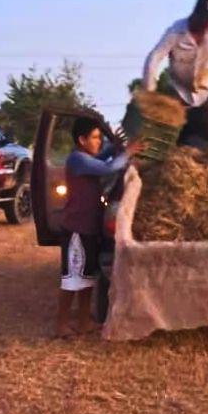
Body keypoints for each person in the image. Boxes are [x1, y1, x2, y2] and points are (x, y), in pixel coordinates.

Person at [56, 118, 142, 338]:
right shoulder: (76, 159)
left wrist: (114, 148)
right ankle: (61, 325)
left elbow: (103, 158)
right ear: (81, 140)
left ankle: (84, 322)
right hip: (76, 229)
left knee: (86, 278)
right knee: (72, 279)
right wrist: (127, 152)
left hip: (88, 228)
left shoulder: (85, 157)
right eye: (95, 138)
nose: (98, 142)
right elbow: (108, 167)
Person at [141, 0, 208, 146]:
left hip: (206, 92)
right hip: (179, 92)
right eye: (203, 19)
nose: (205, 25)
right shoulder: (176, 31)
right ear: (195, 14)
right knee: (164, 139)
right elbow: (154, 57)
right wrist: (150, 89)